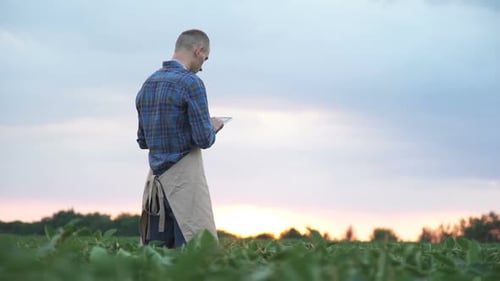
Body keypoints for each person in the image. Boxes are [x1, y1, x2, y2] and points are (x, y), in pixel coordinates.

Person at [135, 29, 224, 248]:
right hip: (185, 185)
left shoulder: (147, 84)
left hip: (155, 185)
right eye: (205, 58)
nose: (202, 66)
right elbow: (204, 139)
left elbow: (143, 141)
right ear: (198, 50)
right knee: (195, 257)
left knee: (157, 260)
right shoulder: (191, 83)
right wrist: (213, 126)